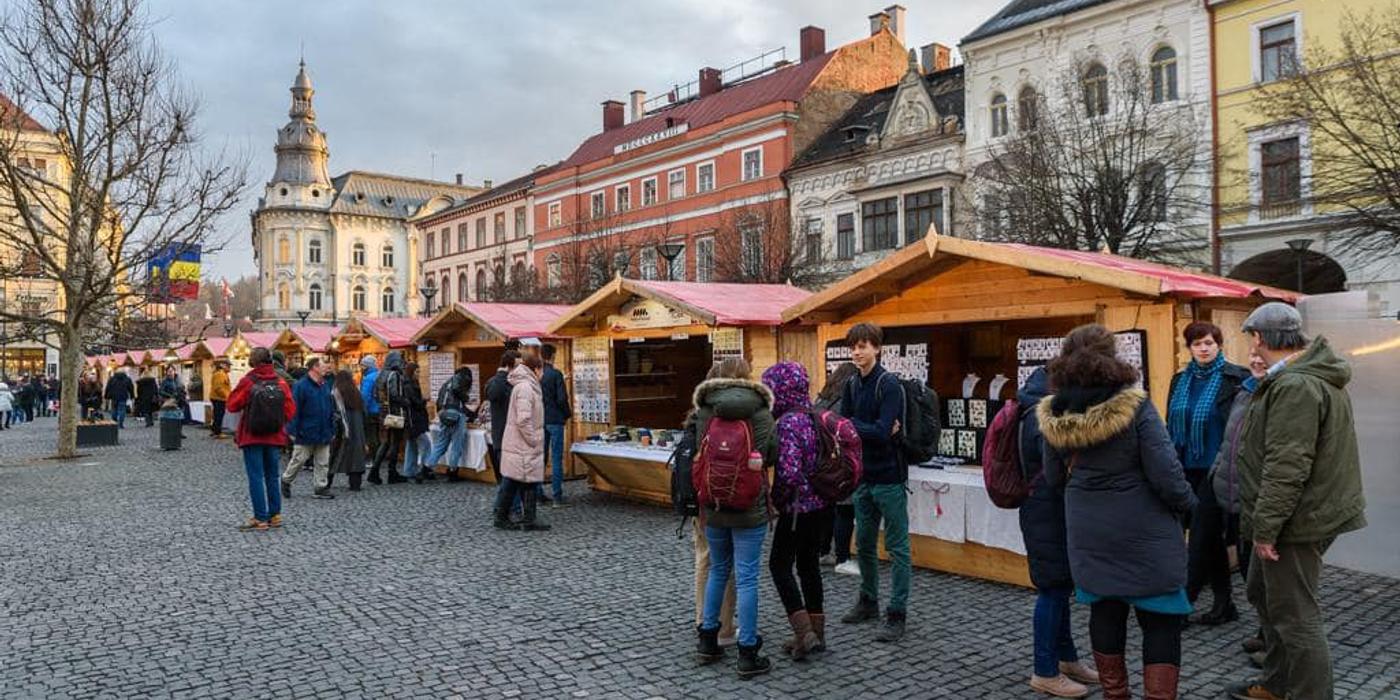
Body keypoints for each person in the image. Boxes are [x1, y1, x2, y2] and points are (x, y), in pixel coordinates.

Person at [1038, 324, 1196, 700]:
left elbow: (1053, 477)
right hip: (1146, 531)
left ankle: (1116, 695)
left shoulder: (1053, 412)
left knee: (1105, 613)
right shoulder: (1135, 405)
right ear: (1111, 357)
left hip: (1089, 530)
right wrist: (1190, 506)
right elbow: (1166, 473)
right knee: (1160, 619)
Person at [1226, 303, 1366, 700]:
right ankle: (1276, 682)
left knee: (1295, 615)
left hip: (1295, 521)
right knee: (1264, 595)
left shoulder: (1295, 385)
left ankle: (1307, 693)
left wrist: (1267, 529)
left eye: (1251, 338)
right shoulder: (1297, 378)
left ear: (1259, 338)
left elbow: (1287, 465)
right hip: (1285, 516)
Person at [691, 356, 776, 678]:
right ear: (747, 377)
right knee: (747, 577)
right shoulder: (761, 411)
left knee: (718, 569)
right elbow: (771, 454)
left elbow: (700, 450)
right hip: (748, 506)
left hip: (713, 505)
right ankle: (748, 652)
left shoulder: (705, 409)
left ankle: (708, 639)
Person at [1017, 366, 1099, 698]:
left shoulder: (1030, 410)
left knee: (1060, 585)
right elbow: (1054, 472)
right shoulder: (1042, 418)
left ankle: (1067, 659)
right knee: (1051, 590)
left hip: (1043, 509)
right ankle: (1044, 670)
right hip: (1047, 511)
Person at [1166, 322, 1250, 626]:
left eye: (1209, 343)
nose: (1203, 348)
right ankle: (1225, 605)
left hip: (1220, 469)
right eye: (1197, 344)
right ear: (1188, 347)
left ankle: (1182, 604)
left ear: (1219, 345)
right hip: (1186, 468)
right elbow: (1170, 424)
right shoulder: (1179, 381)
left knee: (1200, 537)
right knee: (1210, 538)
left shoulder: (1237, 378)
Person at [839, 323, 911, 643]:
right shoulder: (851, 385)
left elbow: (880, 432)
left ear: (877, 349)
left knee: (897, 548)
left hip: (890, 478)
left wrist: (857, 426)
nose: (857, 351)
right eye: (854, 346)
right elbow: (844, 430)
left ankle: (897, 613)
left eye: (864, 345)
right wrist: (863, 427)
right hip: (863, 478)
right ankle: (868, 600)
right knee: (864, 544)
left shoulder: (889, 384)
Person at [761, 361, 834, 662]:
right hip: (820, 505)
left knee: (779, 565)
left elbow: (789, 474)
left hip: (796, 509)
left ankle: (804, 633)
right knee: (808, 567)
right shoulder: (814, 415)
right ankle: (817, 632)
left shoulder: (789, 422)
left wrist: (777, 500)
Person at [1211, 351, 1270, 660]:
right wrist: (1217, 469)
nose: (1257, 361)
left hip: (1259, 495)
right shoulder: (1244, 390)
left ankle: (1274, 640)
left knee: (1263, 574)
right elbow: (1229, 439)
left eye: (1263, 357)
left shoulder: (1276, 393)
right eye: (1253, 356)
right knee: (1250, 570)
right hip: (1234, 494)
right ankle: (1267, 632)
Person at [227, 347, 295, 531]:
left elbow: (232, 405)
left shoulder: (248, 381)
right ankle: (275, 515)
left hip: (252, 435)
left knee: (256, 477)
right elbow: (290, 410)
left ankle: (260, 517)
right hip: (274, 435)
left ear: (253, 362)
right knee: (273, 475)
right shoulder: (280, 382)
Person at [493, 353, 550, 532]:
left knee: (522, 481)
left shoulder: (525, 385)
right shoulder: (526, 387)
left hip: (520, 444)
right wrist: (534, 440)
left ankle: (519, 518)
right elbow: (524, 420)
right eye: (542, 370)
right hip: (523, 444)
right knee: (518, 481)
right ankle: (512, 518)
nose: (543, 374)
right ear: (536, 369)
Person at [815, 362, 861, 576]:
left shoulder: (821, 399)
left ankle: (823, 551)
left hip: (820, 462)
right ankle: (843, 557)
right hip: (841, 462)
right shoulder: (846, 402)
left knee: (827, 509)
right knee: (844, 509)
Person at [281, 358, 336, 500]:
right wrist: (292, 430)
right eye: (323, 366)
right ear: (315, 368)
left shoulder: (324, 385)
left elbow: (330, 408)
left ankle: (320, 487)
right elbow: (294, 409)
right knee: (299, 459)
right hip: (306, 429)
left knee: (323, 461)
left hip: (323, 430)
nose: (327, 368)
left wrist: (332, 428)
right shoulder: (301, 386)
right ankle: (286, 480)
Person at [428, 366, 478, 480]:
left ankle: (427, 467)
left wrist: (441, 415)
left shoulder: (446, 383)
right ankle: (452, 471)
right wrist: (466, 399)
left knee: (441, 444)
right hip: (456, 416)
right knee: (457, 445)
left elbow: (439, 402)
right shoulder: (459, 379)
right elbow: (459, 400)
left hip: (444, 415)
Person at [368, 351, 408, 485]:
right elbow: (394, 394)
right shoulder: (394, 375)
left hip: (383, 411)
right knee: (395, 442)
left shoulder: (380, 374)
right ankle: (391, 473)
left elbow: (375, 394)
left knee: (385, 442)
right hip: (394, 412)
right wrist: (405, 402)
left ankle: (375, 471)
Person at [540, 344, 572, 506]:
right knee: (557, 458)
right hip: (555, 420)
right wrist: (567, 414)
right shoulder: (555, 374)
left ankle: (538, 494)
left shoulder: (537, 374)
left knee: (541, 458)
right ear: (552, 355)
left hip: (540, 420)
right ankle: (557, 497)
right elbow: (561, 399)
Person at [486, 350, 521, 484]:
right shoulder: (496, 382)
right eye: (517, 366)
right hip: (503, 436)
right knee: (508, 479)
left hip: (517, 436)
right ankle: (506, 505)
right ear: (508, 366)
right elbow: (494, 395)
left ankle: (512, 504)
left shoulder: (514, 382)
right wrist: (502, 374)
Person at [330, 369, 368, 491]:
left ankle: (326, 482)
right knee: (356, 455)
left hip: (342, 428)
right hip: (357, 428)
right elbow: (364, 411)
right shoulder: (356, 392)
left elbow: (333, 411)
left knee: (335, 455)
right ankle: (355, 484)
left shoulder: (336, 392)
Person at [400, 361, 433, 482]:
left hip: (411, 420)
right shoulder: (409, 385)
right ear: (411, 372)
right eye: (417, 372)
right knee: (426, 444)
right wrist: (424, 400)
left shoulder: (409, 384)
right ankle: (424, 469)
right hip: (414, 420)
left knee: (412, 446)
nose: (418, 374)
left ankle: (409, 470)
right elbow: (416, 403)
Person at [359, 356, 381, 473]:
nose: (361, 368)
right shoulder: (379, 375)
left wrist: (362, 409)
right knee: (377, 434)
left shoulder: (368, 378)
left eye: (362, 365)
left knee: (370, 435)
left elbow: (365, 396)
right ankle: (378, 457)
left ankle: (373, 459)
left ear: (367, 366)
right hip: (380, 410)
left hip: (371, 410)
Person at [209, 360, 231, 439]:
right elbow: (218, 388)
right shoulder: (221, 374)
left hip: (217, 397)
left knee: (216, 414)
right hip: (219, 398)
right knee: (219, 415)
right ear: (223, 366)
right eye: (228, 366)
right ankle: (218, 432)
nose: (230, 368)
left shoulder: (220, 373)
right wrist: (227, 396)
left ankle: (214, 431)